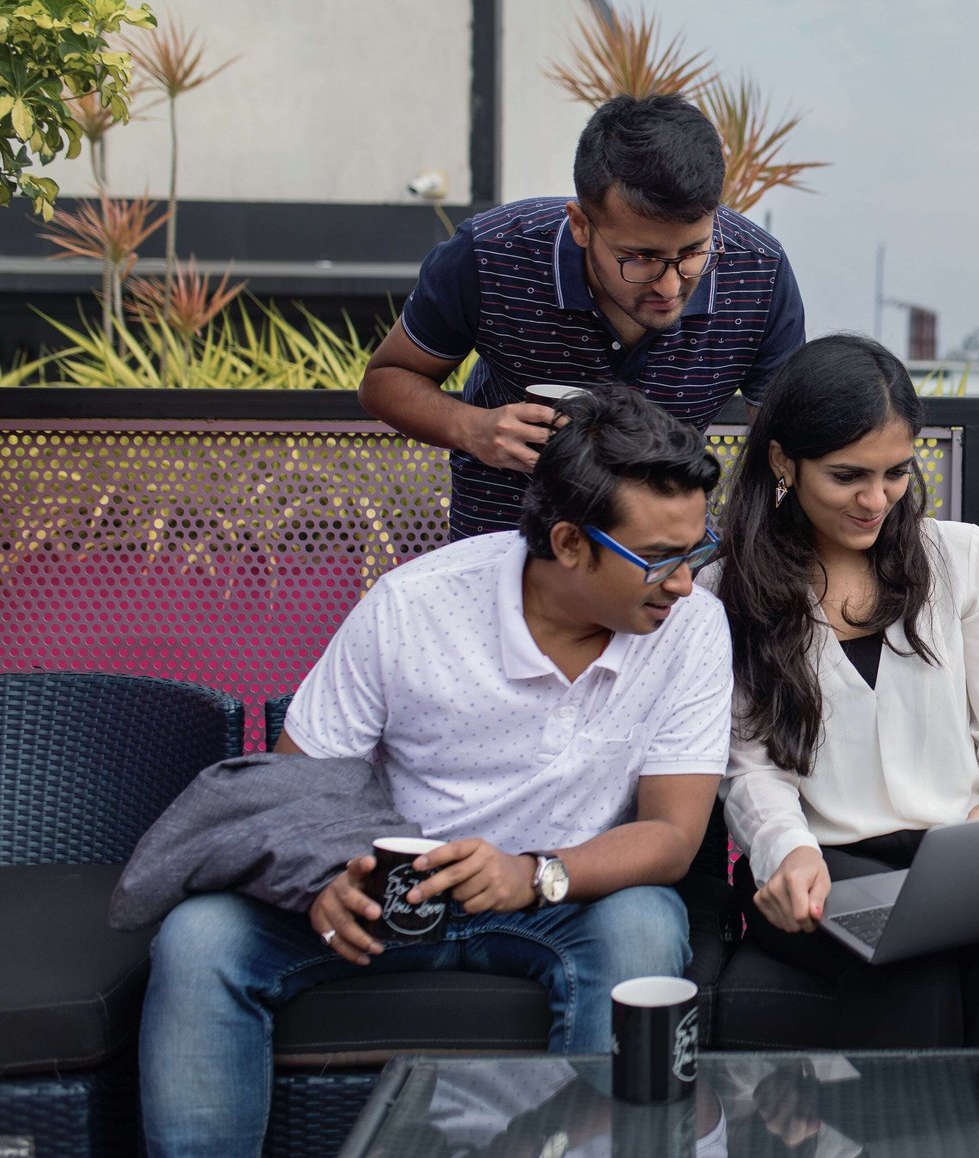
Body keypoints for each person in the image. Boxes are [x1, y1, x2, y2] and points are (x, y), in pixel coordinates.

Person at [138, 385, 734, 1158]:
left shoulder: (691, 625)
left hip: (562, 894)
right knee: (199, 938)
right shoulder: (415, 606)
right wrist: (321, 882)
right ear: (569, 542)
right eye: (658, 559)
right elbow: (293, 794)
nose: (685, 581)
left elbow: (671, 833)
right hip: (399, 892)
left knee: (645, 923)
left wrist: (532, 874)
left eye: (697, 549)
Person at [705, 335, 979, 1048]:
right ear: (781, 461)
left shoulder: (960, 557)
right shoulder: (726, 589)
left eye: (894, 473)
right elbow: (749, 766)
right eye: (847, 475)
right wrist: (788, 852)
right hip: (827, 861)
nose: (875, 499)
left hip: (959, 856)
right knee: (906, 972)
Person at [360, 92, 807, 539]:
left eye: (693, 252)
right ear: (580, 224)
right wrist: (473, 428)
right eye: (640, 257)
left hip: (666, 555)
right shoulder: (490, 254)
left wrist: (755, 551)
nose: (670, 287)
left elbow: (786, 452)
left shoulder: (758, 272)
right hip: (503, 542)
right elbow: (386, 380)